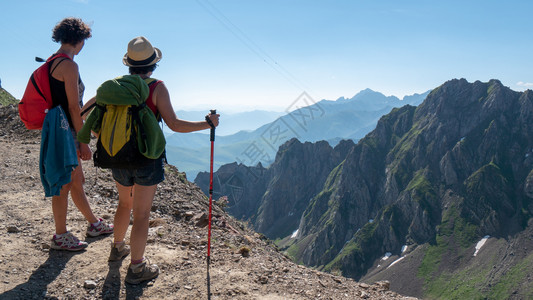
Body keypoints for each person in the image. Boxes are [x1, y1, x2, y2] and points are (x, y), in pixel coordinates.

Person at [83, 36, 219, 284]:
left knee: (125, 205)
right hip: (147, 158)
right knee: (143, 213)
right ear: (153, 64)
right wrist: (207, 124)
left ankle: (117, 248)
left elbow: (87, 110)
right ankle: (136, 268)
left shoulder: (116, 87)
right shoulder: (157, 87)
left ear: (129, 64)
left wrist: (100, 135)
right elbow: (175, 124)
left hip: (118, 155)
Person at [47, 17, 113, 251]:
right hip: (68, 132)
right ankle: (60, 235)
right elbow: (74, 107)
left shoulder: (51, 62)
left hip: (57, 129)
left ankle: (94, 223)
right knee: (65, 183)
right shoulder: (69, 65)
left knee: (75, 181)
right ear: (80, 39)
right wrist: (83, 140)